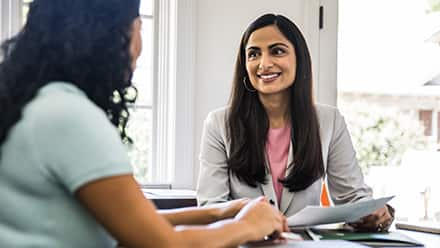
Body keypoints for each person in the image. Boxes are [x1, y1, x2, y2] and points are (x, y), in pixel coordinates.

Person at [0, 1, 288, 247]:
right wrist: (249, 226)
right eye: (139, 27)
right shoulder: (69, 116)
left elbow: (129, 220)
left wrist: (222, 212)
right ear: (110, 36)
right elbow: (160, 243)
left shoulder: (41, 102)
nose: (139, 48)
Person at [197, 13, 394, 232]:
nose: (264, 64)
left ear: (299, 59)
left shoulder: (329, 121)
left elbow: (352, 196)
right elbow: (210, 208)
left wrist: (371, 213)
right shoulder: (218, 124)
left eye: (277, 51)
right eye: (254, 54)